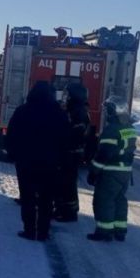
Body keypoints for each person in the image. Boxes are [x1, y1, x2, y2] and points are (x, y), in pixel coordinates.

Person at [7, 81, 72, 241]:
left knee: (27, 197)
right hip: (50, 164)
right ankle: (43, 232)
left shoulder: (22, 111)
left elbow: (11, 135)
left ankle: (29, 230)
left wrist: (14, 154)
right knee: (46, 198)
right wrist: (62, 160)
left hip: (26, 163)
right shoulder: (59, 113)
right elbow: (67, 140)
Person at [87, 96, 137, 242]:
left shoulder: (111, 130)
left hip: (111, 171)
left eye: (109, 109)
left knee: (104, 200)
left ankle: (104, 232)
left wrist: (93, 171)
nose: (107, 113)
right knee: (120, 200)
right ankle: (119, 230)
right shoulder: (130, 128)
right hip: (126, 172)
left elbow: (104, 154)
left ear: (116, 111)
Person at [54, 83, 90, 222]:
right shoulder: (73, 109)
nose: (65, 97)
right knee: (63, 182)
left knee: (67, 183)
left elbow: (71, 133)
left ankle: (69, 213)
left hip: (70, 153)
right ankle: (61, 209)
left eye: (67, 94)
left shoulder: (78, 112)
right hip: (68, 152)